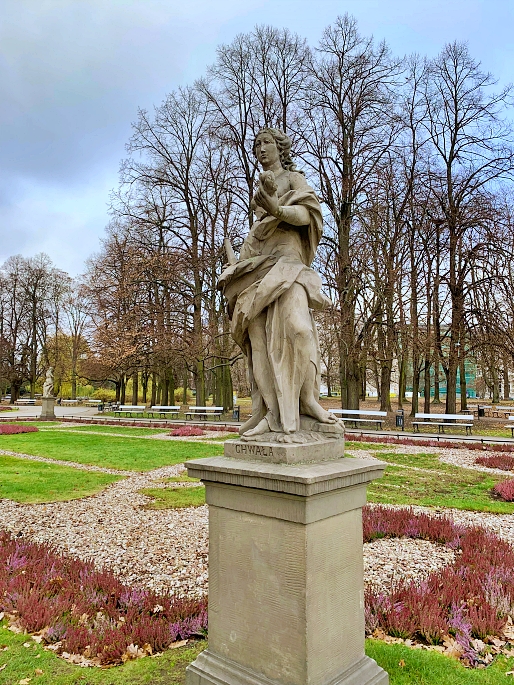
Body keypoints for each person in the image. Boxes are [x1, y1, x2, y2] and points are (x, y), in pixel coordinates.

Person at [218, 127, 340, 442]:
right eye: (256, 144)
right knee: (258, 344)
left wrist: (276, 209)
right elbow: (260, 231)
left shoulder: (293, 179)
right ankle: (269, 413)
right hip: (257, 266)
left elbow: (307, 215)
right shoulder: (259, 188)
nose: (260, 148)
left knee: (299, 329)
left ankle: (307, 401)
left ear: (280, 147)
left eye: (266, 142)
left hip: (288, 265)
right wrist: (236, 267)